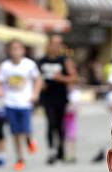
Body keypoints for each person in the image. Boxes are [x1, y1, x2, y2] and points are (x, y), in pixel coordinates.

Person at [0, 39, 42, 172]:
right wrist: (0, 93)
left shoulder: (29, 64)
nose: (15, 52)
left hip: (25, 102)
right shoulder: (5, 66)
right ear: (9, 51)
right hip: (10, 102)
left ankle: (29, 140)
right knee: (16, 133)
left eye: (18, 49)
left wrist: (35, 93)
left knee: (26, 129)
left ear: (23, 50)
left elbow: (38, 79)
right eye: (13, 49)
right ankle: (20, 158)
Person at [38, 35, 77, 165]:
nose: (55, 47)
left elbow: (73, 77)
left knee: (60, 125)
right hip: (47, 96)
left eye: (58, 44)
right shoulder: (42, 61)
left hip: (61, 96)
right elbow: (36, 78)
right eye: (53, 43)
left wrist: (62, 79)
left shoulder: (64, 60)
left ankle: (61, 150)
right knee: (50, 122)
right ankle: (51, 151)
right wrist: (39, 85)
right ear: (48, 45)